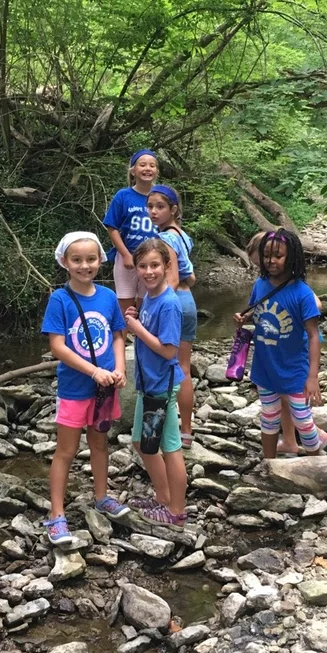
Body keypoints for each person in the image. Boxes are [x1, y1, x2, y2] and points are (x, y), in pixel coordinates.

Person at [40, 232, 129, 545]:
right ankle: (56, 514)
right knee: (65, 450)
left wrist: (119, 368)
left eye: (90, 259)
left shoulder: (107, 296)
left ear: (100, 261)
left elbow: (119, 335)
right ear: (65, 262)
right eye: (76, 260)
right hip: (75, 387)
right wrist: (93, 371)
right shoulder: (60, 299)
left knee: (100, 443)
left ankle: (102, 496)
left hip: (105, 387)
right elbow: (57, 346)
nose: (84, 265)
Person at [234, 230, 327, 459]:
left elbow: (314, 336)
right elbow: (259, 311)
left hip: (294, 368)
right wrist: (244, 318)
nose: (271, 261)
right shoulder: (260, 284)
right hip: (265, 366)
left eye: (278, 256)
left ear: (292, 257)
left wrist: (313, 376)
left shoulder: (302, 293)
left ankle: (318, 469)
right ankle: (270, 465)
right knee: (268, 415)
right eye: (267, 255)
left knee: (303, 420)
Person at [124, 238, 188, 529]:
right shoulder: (148, 296)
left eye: (155, 265)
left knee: (170, 447)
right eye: (143, 266)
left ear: (166, 266)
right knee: (141, 443)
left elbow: (168, 350)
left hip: (163, 386)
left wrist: (136, 329)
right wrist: (136, 317)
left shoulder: (169, 303)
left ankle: (176, 510)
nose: (149, 271)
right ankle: (163, 497)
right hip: (148, 384)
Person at [148, 184, 198, 449]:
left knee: (166, 367)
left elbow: (173, 277)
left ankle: (161, 428)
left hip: (172, 303)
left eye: (160, 207)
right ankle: (187, 431)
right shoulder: (181, 235)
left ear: (173, 210)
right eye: (151, 206)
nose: (154, 212)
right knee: (184, 368)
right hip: (187, 300)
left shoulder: (165, 238)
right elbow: (191, 277)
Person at [103, 149, 159, 315]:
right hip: (126, 256)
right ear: (133, 170)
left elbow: (169, 226)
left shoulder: (161, 196)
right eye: (142, 165)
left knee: (147, 305)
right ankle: (121, 339)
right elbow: (111, 227)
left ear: (156, 171)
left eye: (152, 165)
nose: (147, 168)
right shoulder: (123, 196)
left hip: (154, 259)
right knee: (126, 307)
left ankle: (141, 339)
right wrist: (126, 254)